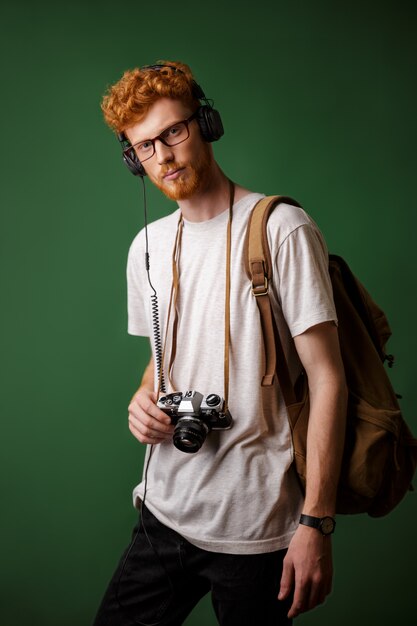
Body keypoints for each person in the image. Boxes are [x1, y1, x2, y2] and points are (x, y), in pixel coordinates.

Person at [94, 61, 347, 626]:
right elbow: (163, 358)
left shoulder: (282, 228)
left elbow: (329, 377)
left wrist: (316, 524)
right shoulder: (147, 246)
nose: (162, 156)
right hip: (164, 511)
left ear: (205, 124)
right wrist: (144, 399)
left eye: (173, 132)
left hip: (259, 530)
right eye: (144, 147)